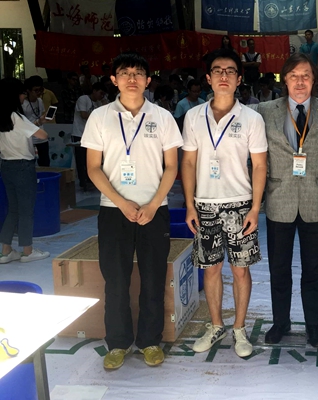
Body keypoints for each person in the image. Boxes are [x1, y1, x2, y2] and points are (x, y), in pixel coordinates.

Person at [81, 51, 183, 370]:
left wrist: (153, 204)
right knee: (115, 280)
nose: (132, 79)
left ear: (148, 80)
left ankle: (150, 341)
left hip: (155, 210)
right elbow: (93, 167)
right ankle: (118, 343)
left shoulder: (162, 117)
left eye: (138, 73)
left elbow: (171, 167)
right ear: (114, 80)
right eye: (125, 73)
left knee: (153, 279)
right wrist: (121, 201)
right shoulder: (99, 117)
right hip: (114, 210)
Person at [181, 48, 268, 358]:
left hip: (240, 205)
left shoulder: (252, 118)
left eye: (230, 71)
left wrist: (255, 208)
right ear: (208, 78)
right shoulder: (193, 116)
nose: (223, 75)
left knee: (240, 270)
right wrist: (190, 205)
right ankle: (216, 325)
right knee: (211, 269)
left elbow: (260, 165)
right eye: (217, 70)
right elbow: (188, 162)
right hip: (205, 204)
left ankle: (239, 329)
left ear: (239, 79)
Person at [254, 53, 318, 349]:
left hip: (315, 199)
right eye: (293, 76)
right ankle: (281, 322)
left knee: (313, 269)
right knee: (279, 268)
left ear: (314, 80)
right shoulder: (265, 110)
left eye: (306, 76)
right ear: (284, 80)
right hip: (280, 199)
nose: (300, 82)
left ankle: (313, 324)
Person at [0, 78, 51, 264]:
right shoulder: (17, 117)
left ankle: (6, 251)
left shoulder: (3, 117)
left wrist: (36, 122)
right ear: (14, 95)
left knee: (13, 209)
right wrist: (39, 124)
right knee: (26, 210)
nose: (23, 96)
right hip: (23, 167)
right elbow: (43, 135)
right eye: (21, 93)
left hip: (6, 165)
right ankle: (28, 251)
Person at [72, 82, 106, 191]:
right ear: (94, 91)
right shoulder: (83, 99)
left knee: (93, 161)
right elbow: (83, 115)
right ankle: (83, 182)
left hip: (93, 135)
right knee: (81, 160)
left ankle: (91, 180)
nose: (101, 96)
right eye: (100, 93)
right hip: (80, 133)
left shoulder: (99, 103)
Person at [22, 77, 50, 167]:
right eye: (36, 90)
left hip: (41, 137)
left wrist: (43, 119)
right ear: (28, 91)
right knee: (30, 164)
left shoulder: (40, 101)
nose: (39, 92)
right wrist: (38, 122)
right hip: (30, 138)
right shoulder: (23, 104)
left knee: (45, 163)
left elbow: (40, 114)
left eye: (40, 90)